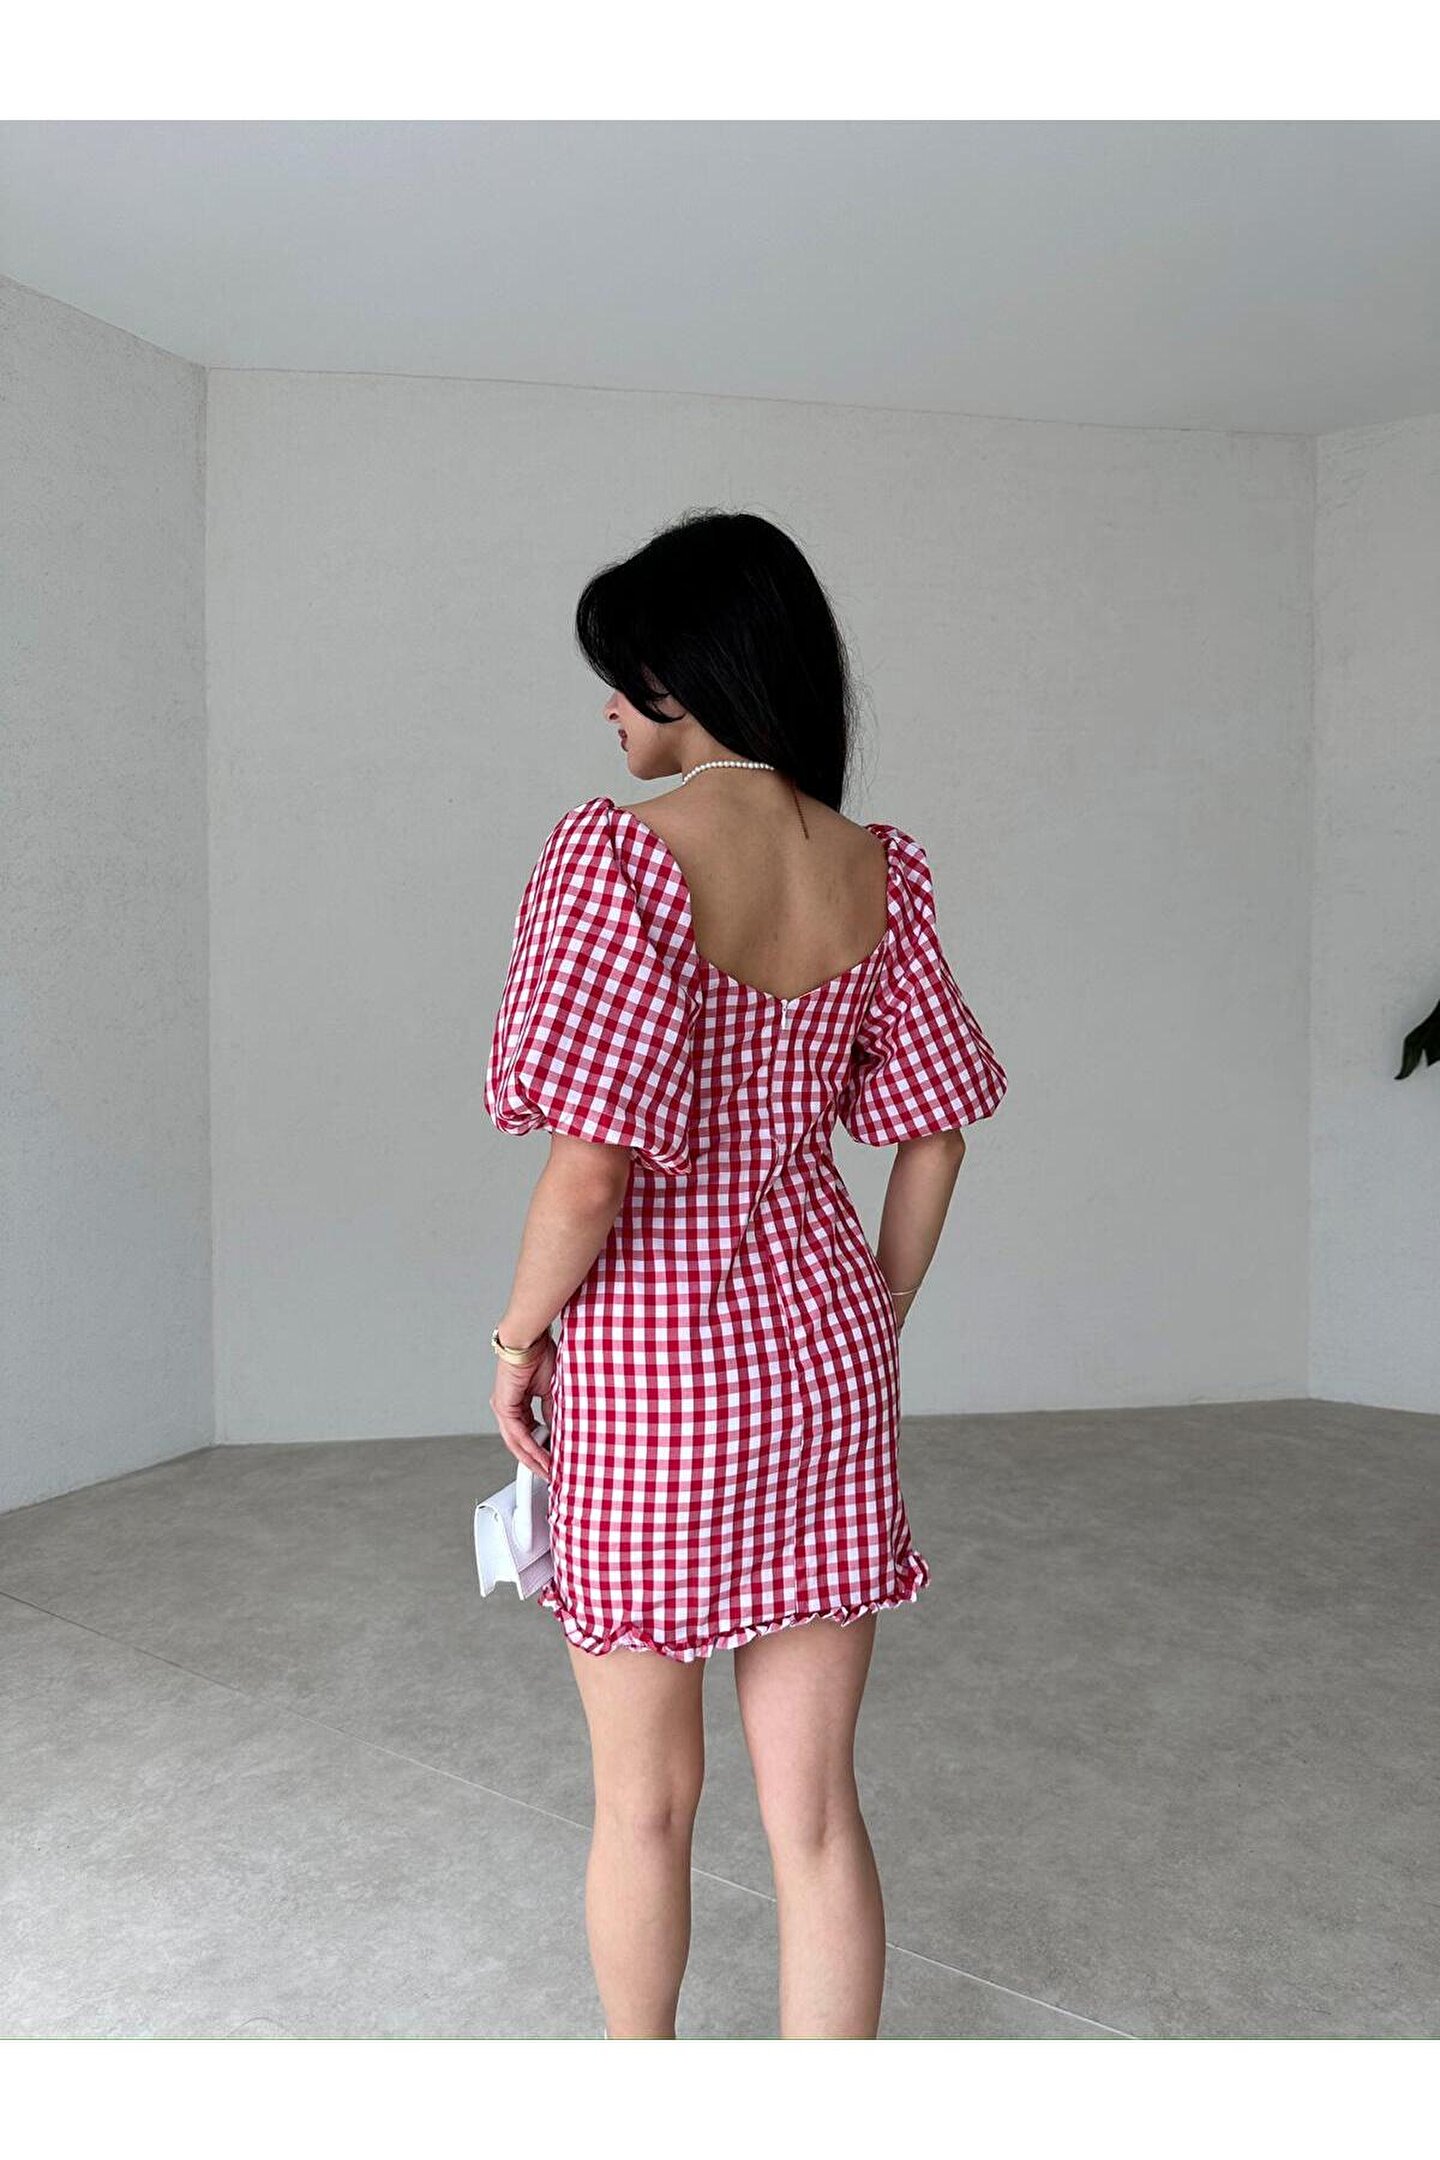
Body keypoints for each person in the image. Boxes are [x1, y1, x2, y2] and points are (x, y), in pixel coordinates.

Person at [483, 510, 1008, 2041]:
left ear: (687, 675)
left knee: (644, 1805)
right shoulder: (873, 870)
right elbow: (935, 1132)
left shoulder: (619, 856)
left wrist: (516, 1342)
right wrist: (875, 1310)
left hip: (655, 1376)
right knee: (818, 1814)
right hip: (824, 1354)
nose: (608, 707)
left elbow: (591, 1170)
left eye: (624, 674)